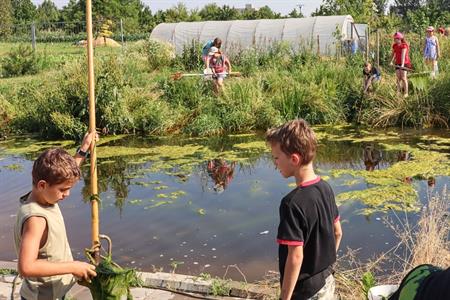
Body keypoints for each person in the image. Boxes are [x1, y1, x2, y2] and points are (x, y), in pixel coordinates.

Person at [14, 132, 98, 300]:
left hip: (57, 292)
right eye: (63, 190)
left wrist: (84, 149)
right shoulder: (36, 219)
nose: (67, 194)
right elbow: (26, 267)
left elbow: (62, 176)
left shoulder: (42, 195)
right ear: (42, 185)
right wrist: (73, 266)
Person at [266, 119, 343, 300]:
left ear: (294, 159)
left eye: (276, 158)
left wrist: (285, 298)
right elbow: (338, 232)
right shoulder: (326, 188)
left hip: (305, 292)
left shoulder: (291, 204)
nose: (275, 163)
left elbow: (295, 257)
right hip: (327, 281)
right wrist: (325, 266)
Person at [390, 32, 411, 97]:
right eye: (395, 39)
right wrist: (391, 61)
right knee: (398, 78)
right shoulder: (395, 45)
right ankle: (398, 92)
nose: (395, 40)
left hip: (405, 63)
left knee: (404, 78)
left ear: (400, 39)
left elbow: (403, 55)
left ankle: (406, 93)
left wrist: (402, 65)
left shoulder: (404, 45)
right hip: (397, 63)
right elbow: (393, 54)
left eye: (396, 39)